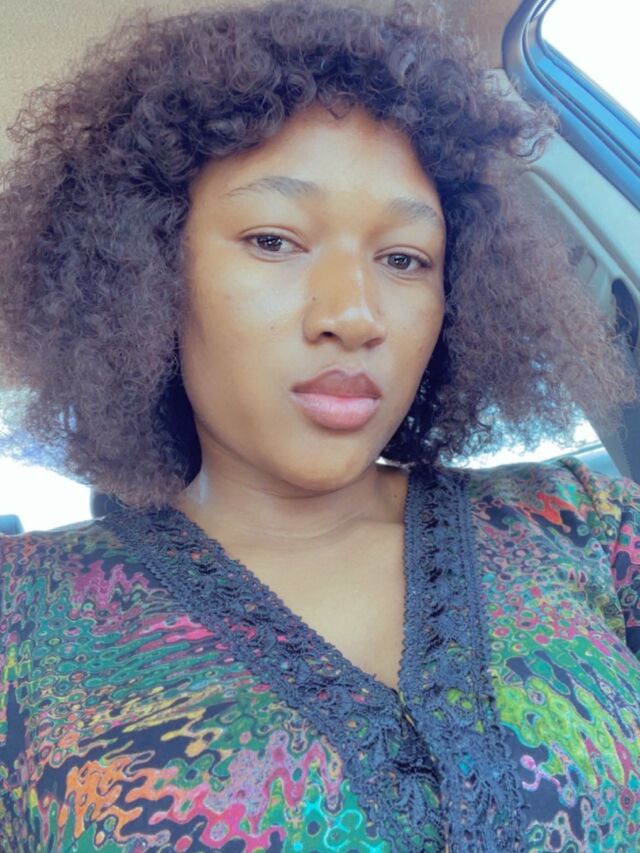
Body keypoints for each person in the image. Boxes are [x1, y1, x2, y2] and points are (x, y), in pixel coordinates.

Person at [0, 1, 638, 850]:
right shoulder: (25, 619)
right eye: (273, 240)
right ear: (147, 269)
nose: (354, 313)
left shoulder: (585, 524)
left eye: (404, 258)